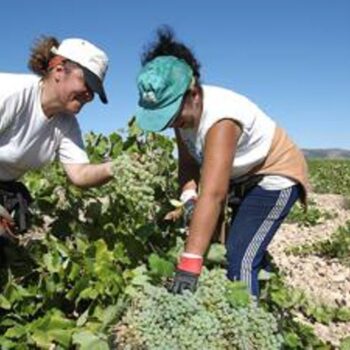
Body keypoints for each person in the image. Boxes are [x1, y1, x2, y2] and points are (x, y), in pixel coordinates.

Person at [134, 28, 309, 298]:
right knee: (223, 246)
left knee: (241, 259)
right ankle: (258, 291)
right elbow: (189, 165)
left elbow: (214, 194)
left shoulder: (221, 120)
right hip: (239, 178)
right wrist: (189, 197)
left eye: (172, 113)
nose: (172, 122)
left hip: (274, 175)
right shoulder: (182, 117)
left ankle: (248, 331)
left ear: (193, 93)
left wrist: (189, 265)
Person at [0, 36, 115, 245]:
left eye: (94, 91)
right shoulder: (10, 93)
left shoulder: (66, 123)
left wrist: (115, 168)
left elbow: (79, 173)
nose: (89, 96)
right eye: (86, 83)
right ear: (59, 70)